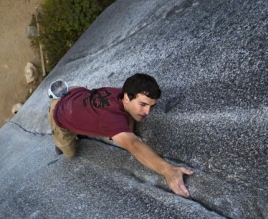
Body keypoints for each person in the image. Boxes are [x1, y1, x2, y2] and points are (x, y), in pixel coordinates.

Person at [48, 73, 193, 198]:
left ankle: (80, 128)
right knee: (70, 152)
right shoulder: (111, 119)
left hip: (77, 93)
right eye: (143, 105)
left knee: (113, 118)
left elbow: (129, 130)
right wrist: (168, 170)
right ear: (127, 98)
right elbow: (133, 145)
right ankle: (62, 137)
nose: (148, 112)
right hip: (59, 111)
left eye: (152, 106)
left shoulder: (122, 93)